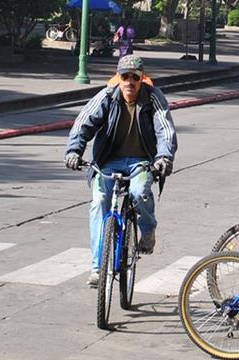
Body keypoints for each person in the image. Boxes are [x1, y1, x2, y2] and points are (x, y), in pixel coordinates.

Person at [64, 55, 178, 286]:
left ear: (141, 79)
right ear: (118, 78)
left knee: (139, 193)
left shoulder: (153, 98)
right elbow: (83, 122)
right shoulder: (106, 96)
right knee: (99, 202)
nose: (129, 82)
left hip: (140, 162)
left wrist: (164, 157)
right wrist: (74, 151)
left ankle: (147, 231)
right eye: (124, 77)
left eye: (134, 77)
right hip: (107, 161)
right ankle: (98, 268)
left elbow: (165, 129)